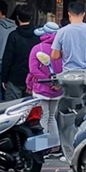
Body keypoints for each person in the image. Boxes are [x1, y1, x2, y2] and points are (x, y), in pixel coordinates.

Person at [26, 21, 63, 152]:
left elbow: (33, 70)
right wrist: (57, 83)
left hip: (42, 89)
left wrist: (46, 81)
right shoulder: (62, 49)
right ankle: (55, 144)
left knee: (43, 117)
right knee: (52, 117)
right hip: (58, 90)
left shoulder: (37, 48)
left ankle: (43, 147)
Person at [51, 2, 86, 72]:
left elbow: (54, 56)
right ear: (84, 14)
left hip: (68, 74)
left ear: (69, 14)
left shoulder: (61, 32)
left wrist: (65, 53)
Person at [0, 4, 40, 100]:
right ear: (31, 17)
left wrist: (4, 78)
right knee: (30, 110)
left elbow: (7, 59)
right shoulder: (38, 36)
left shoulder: (13, 36)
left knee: (12, 109)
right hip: (33, 78)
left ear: (17, 18)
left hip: (15, 77)